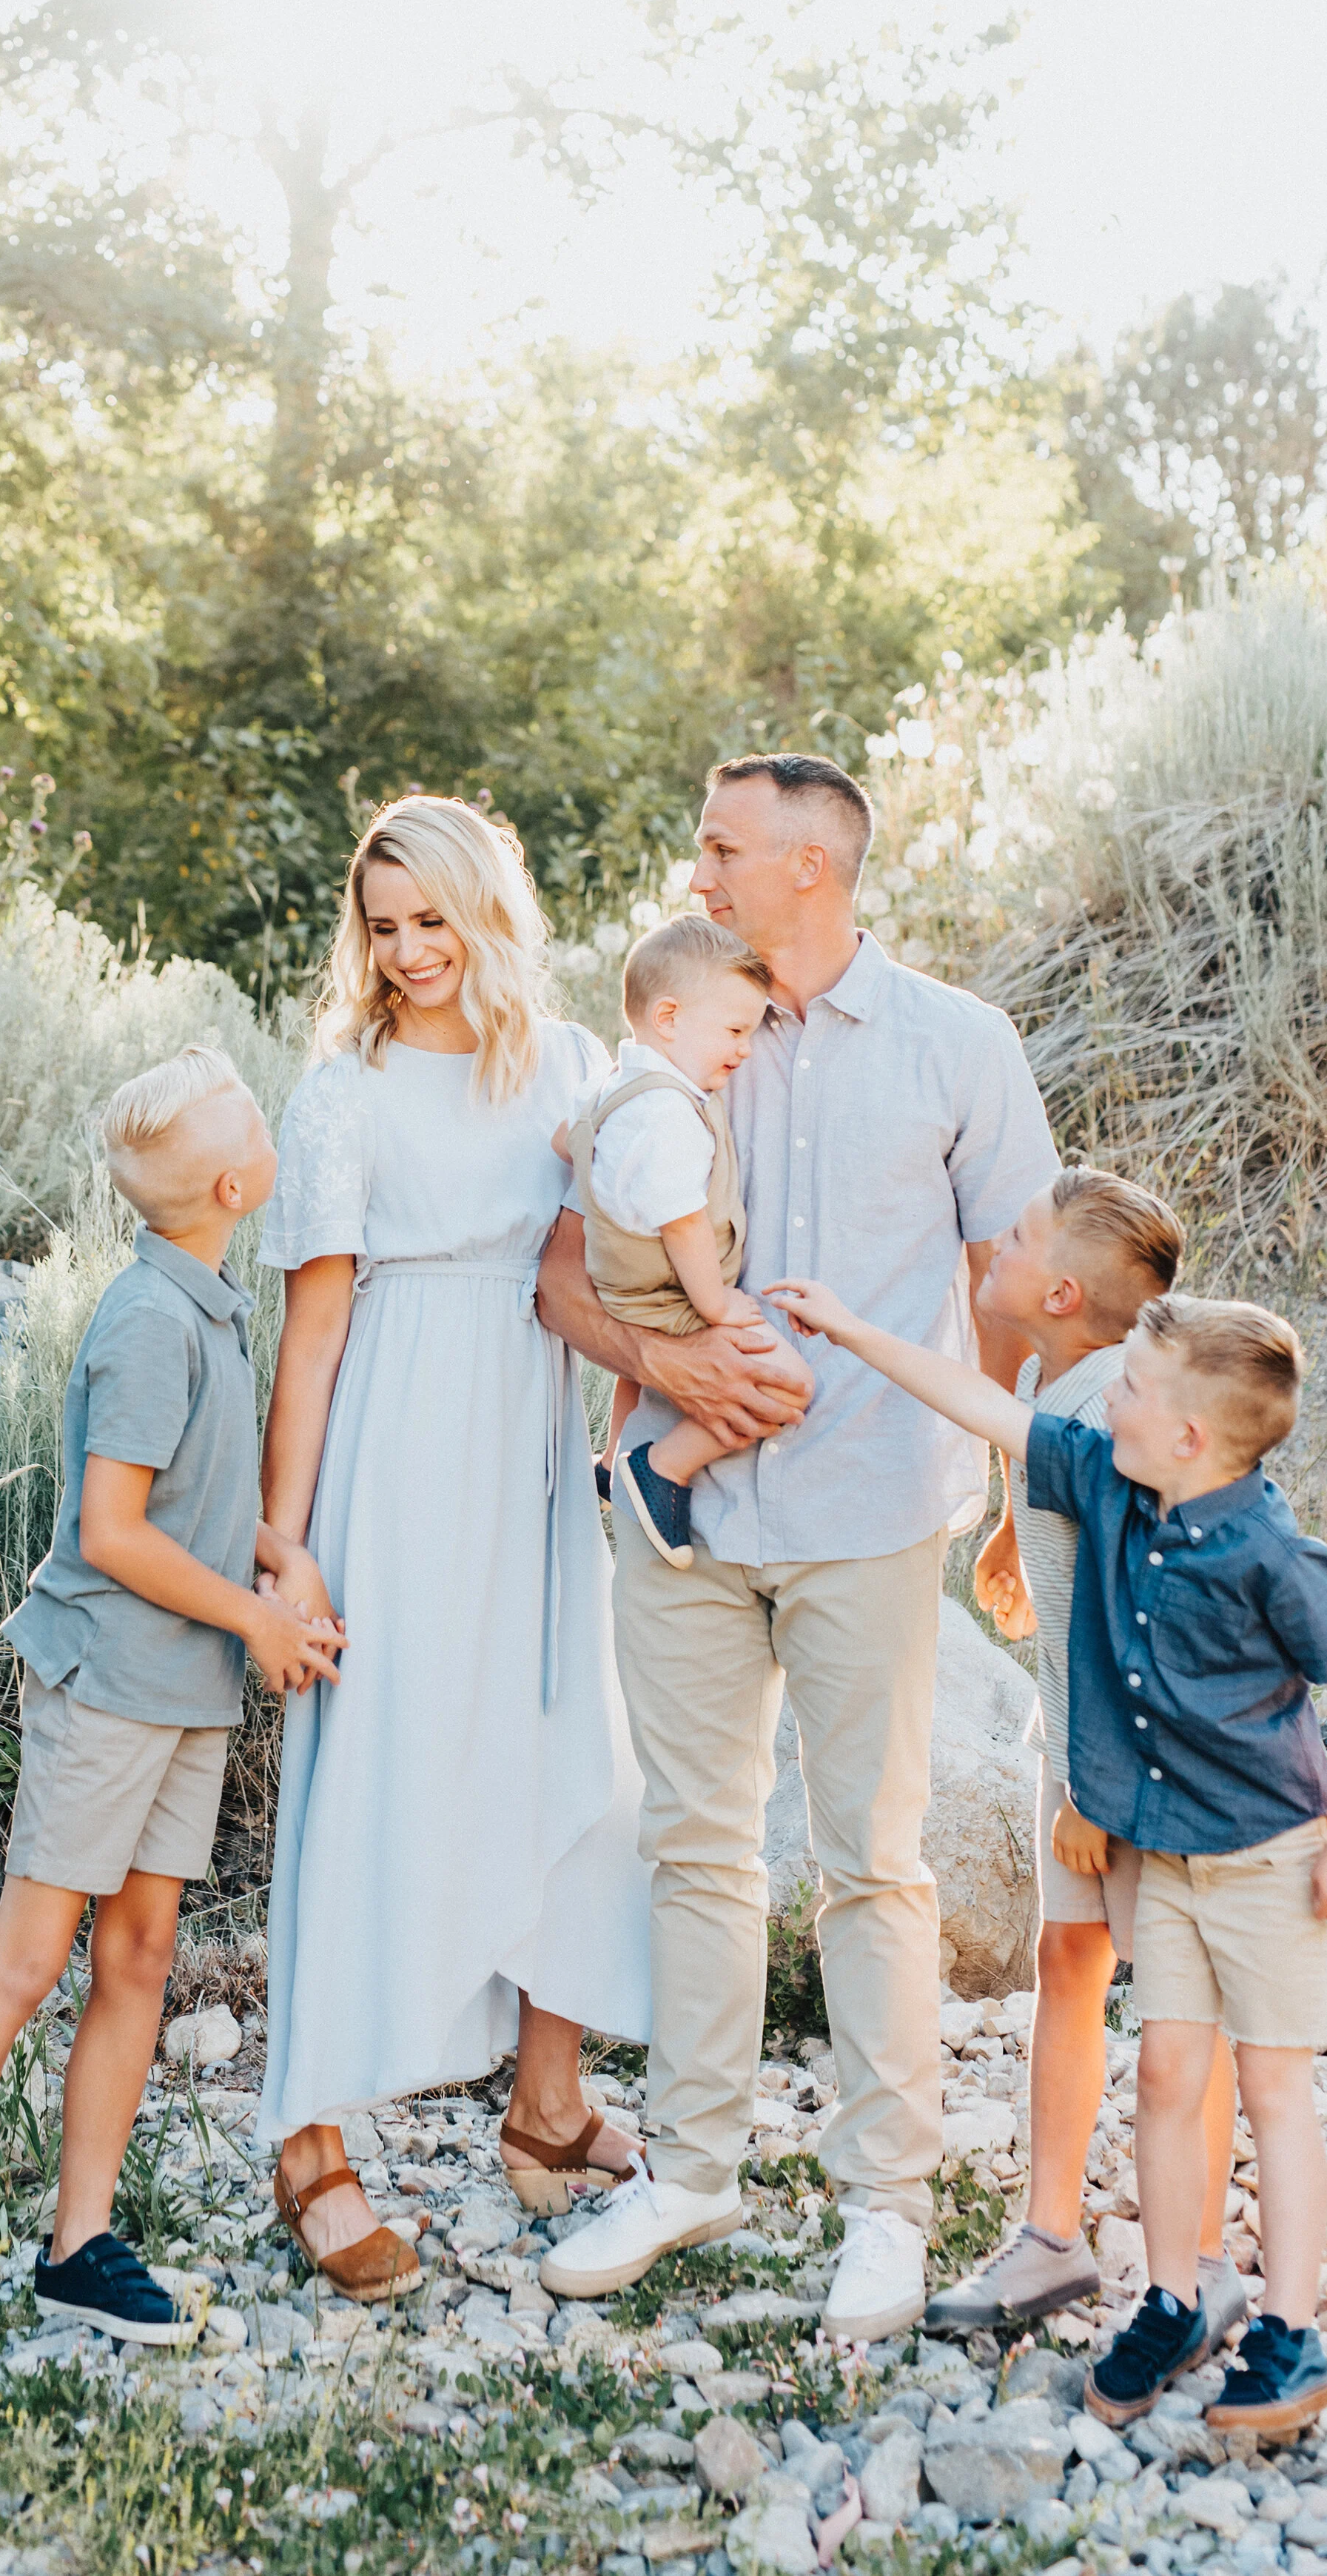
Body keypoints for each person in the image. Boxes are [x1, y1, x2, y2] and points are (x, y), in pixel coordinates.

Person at [535, 751, 1059, 2336]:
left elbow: (1023, 1286)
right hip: (678, 1513)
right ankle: (692, 2169)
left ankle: (886, 2207)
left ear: (812, 869)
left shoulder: (961, 1046)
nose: (698, 874)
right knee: (693, 1841)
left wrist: (1026, 1505)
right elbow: (559, 1280)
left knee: (871, 1861)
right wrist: (667, 1370)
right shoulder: (670, 1040)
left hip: (875, 1513)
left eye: (723, 848)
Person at [765, 1274, 1327, 2436]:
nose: (1112, 1401)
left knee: (1273, 2088)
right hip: (1168, 1859)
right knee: (1164, 2072)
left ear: (1191, 1435)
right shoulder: (1107, 1476)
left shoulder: (1271, 1551)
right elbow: (981, 1405)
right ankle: (1168, 2293)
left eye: (1134, 1390)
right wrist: (853, 1327)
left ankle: (1291, 2335)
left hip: (1269, 1862)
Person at [0, 1047, 341, 2381]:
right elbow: (113, 1535)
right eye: (253, 1120)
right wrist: (259, 1622)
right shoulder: (147, 1321)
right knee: (23, 1963)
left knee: (138, 1959)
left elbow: (191, 1509)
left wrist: (272, 1565)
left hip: (183, 1695)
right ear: (239, 1182)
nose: (267, 1123)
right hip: (109, 1690)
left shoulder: (215, 1303)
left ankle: (80, 2243)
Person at [257, 797, 652, 2295]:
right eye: (382, 924)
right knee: (374, 1770)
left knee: (571, 1753)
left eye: (433, 919)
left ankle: (546, 2114)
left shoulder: (569, 1068)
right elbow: (313, 1333)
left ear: (489, 910)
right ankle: (311, 2135)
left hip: (539, 1448)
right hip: (396, 1454)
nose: (409, 951)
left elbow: (609, 1260)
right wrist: (284, 1547)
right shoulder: (342, 1093)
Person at [925, 1170, 1248, 2354]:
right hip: (1076, 1738)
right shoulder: (1040, 1378)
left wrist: (1085, 1791)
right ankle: (1052, 2231)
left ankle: (1203, 2256)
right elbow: (1034, 1467)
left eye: (1011, 1238)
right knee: (1070, 1962)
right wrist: (1012, 1534)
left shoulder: (1115, 1420)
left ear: (1059, 1291)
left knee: (1179, 2000)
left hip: (1139, 1758)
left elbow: (1136, 1623)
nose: (992, 1246)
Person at [558, 913, 811, 1570]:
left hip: (621, 1287)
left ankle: (611, 1462)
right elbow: (684, 1225)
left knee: (632, 1376)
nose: (746, 1048)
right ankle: (660, 1467)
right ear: (668, 1017)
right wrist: (720, 1304)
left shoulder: (613, 1085)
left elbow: (565, 1140)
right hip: (668, 1291)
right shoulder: (669, 1115)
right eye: (734, 1031)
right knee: (789, 1382)